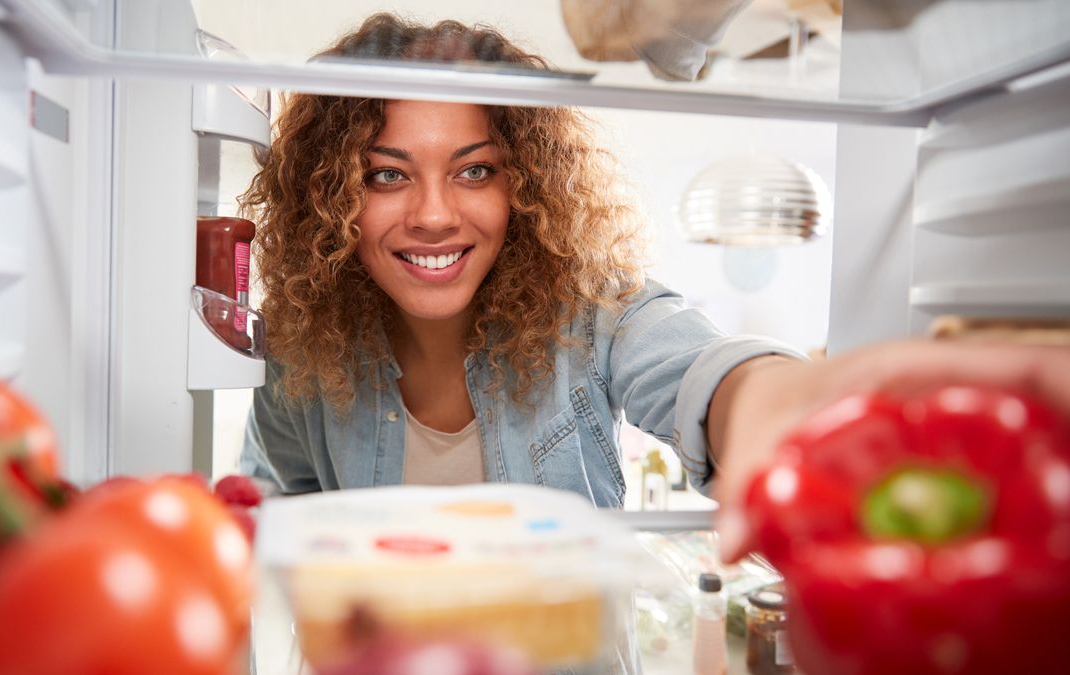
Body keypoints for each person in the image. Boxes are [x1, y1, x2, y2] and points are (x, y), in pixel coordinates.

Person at [238, 13, 1070, 568]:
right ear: (332, 195)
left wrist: (777, 399)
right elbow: (282, 509)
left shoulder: (592, 314)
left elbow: (699, 369)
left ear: (521, 187)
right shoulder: (304, 350)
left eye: (475, 170)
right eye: (387, 174)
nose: (432, 214)